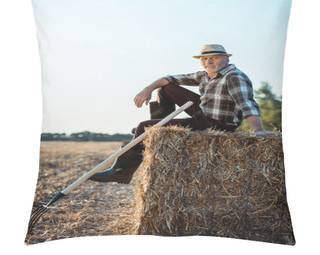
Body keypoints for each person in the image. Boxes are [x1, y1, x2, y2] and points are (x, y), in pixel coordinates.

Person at [89, 44, 275, 184]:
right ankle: (160, 129)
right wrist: (148, 88)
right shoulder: (204, 75)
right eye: (205, 59)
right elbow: (168, 78)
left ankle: (122, 172)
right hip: (204, 112)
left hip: (218, 123)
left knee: (143, 127)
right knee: (166, 88)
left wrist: (258, 130)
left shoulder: (234, 77)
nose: (208, 62)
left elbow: (247, 103)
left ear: (226, 59)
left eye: (215, 58)